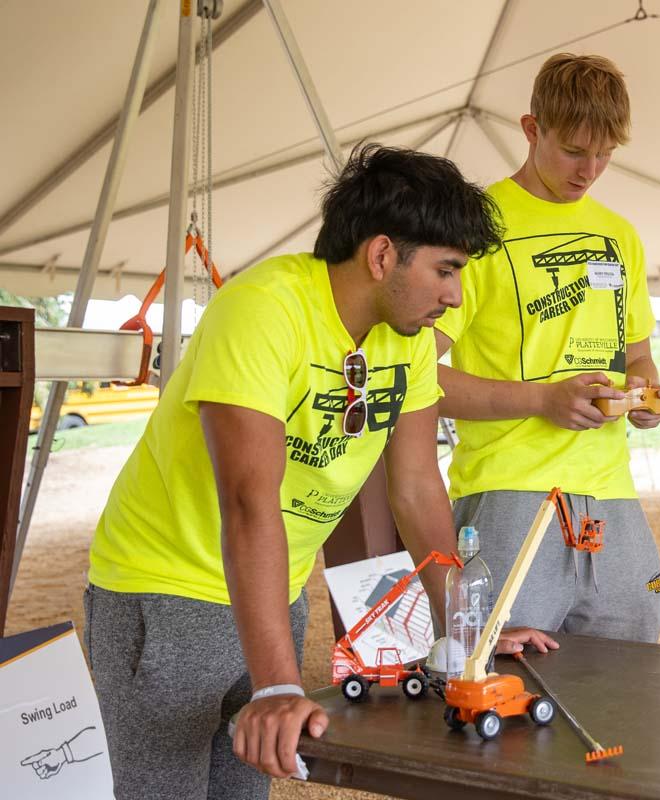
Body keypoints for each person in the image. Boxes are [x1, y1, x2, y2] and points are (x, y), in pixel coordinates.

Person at [84, 144, 552, 800]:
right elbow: (250, 501)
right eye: (446, 270)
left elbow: (417, 487)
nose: (455, 296)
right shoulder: (263, 308)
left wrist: (469, 635)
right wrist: (279, 684)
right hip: (164, 593)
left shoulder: (409, 341)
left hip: (272, 596)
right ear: (383, 254)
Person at [434, 53, 660, 643]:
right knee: (498, 685)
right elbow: (417, 378)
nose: (589, 169)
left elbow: (637, 356)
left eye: (605, 154)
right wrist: (542, 400)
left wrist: (647, 398)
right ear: (532, 128)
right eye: (573, 150)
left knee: (631, 678)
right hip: (508, 491)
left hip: (611, 493)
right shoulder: (474, 227)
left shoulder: (620, 233)